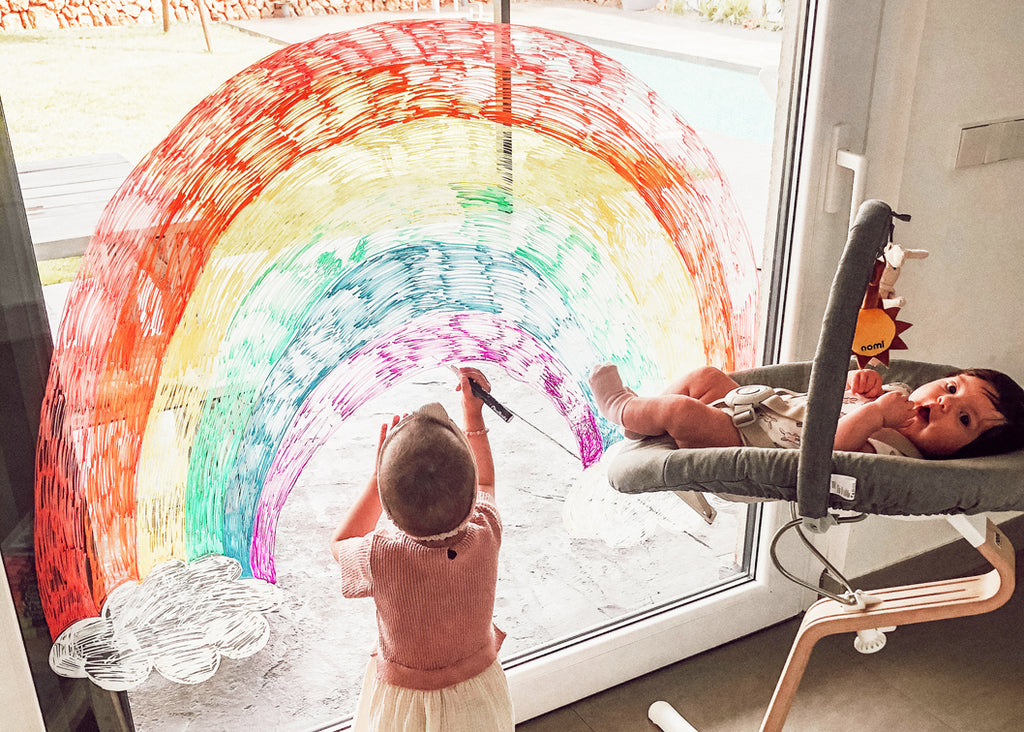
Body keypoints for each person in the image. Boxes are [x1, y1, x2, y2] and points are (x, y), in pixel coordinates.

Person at [330, 367, 514, 731]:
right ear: (471, 495)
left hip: (405, 707)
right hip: (477, 699)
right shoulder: (486, 529)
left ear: (389, 505)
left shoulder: (381, 556)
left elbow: (340, 544)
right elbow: (488, 481)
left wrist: (374, 483)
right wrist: (473, 414)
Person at [588, 362, 1024, 459]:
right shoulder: (897, 399)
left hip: (749, 437)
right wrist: (865, 384)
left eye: (964, 419)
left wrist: (873, 417)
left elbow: (830, 449)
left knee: (683, 411)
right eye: (951, 387)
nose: (946, 401)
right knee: (706, 377)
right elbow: (850, 395)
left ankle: (622, 408)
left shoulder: (897, 454)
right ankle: (641, 424)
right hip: (759, 405)